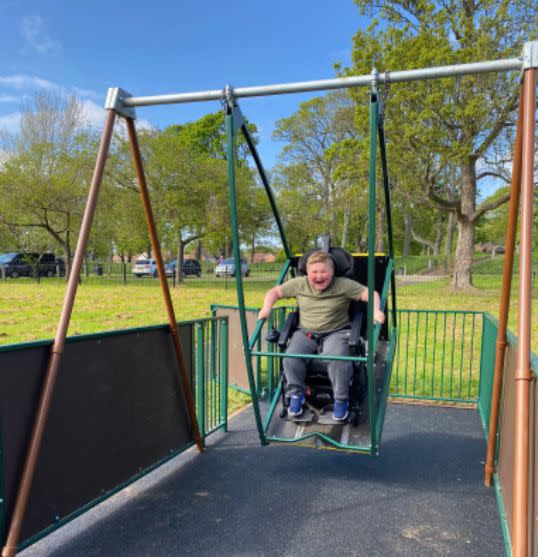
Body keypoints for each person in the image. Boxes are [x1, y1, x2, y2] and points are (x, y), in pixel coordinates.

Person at [258, 250, 385, 421]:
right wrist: (266, 308)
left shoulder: (343, 284)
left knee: (338, 358)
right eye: (314, 272)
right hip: (306, 333)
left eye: (323, 271)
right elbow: (274, 293)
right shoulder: (299, 284)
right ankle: (296, 394)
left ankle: (341, 400)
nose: (319, 276)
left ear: (332, 272)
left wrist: (376, 311)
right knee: (291, 356)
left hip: (336, 332)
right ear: (307, 272)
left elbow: (371, 294)